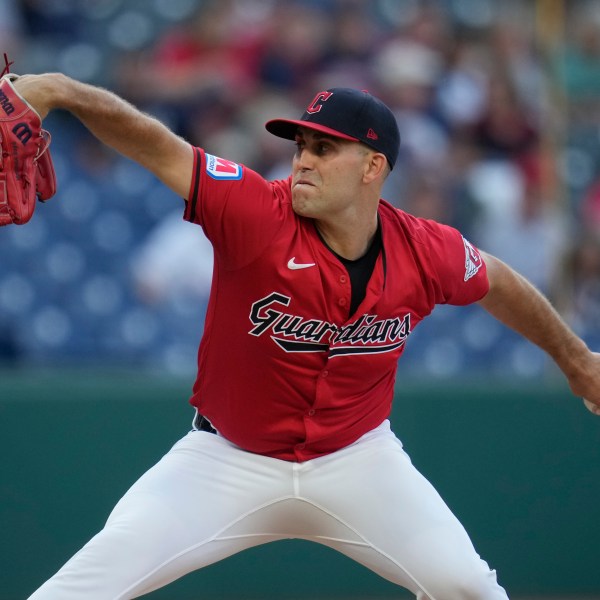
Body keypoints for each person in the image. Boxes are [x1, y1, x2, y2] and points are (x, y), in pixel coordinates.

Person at [16, 74, 600, 600]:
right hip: (223, 461)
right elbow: (155, 144)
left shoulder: (426, 251)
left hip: (358, 460)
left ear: (373, 167)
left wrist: (576, 360)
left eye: (324, 148)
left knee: (470, 588)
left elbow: (497, 280)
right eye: (299, 147)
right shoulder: (255, 212)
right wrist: (66, 91)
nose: (302, 162)